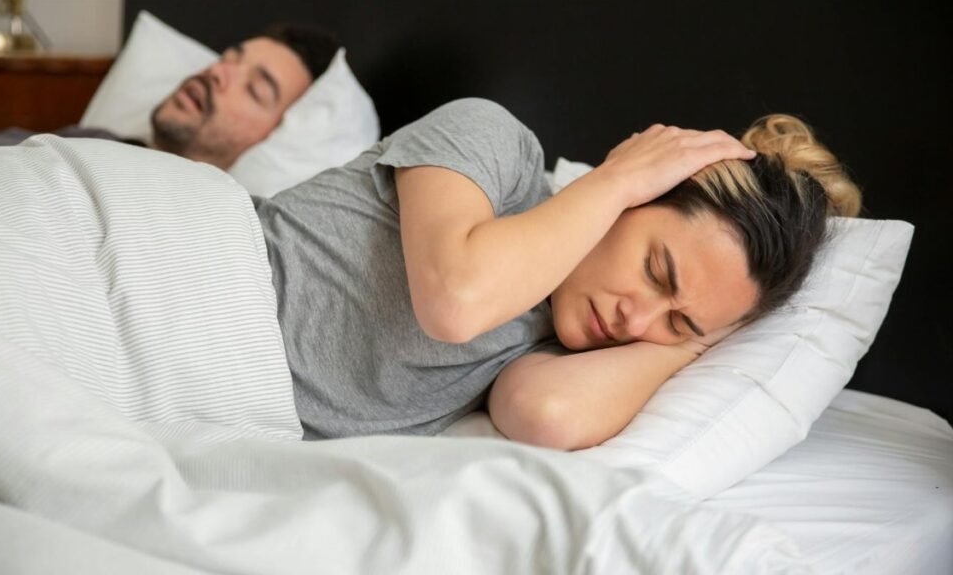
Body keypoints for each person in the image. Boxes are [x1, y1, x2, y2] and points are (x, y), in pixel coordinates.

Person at [254, 98, 861, 449]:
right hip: (204, 269)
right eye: (657, 271)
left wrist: (693, 344)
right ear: (637, 197)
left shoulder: (553, 350)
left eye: (678, 321)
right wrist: (616, 179)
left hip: (219, 405)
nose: (637, 320)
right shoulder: (494, 148)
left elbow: (546, 414)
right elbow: (455, 302)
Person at [0, 23, 339, 170]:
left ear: (277, 136)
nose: (217, 72)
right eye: (228, 58)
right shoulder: (93, 138)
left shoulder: (210, 220)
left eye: (255, 89)